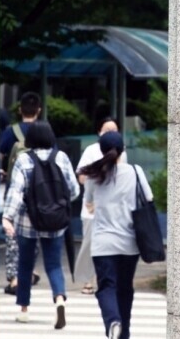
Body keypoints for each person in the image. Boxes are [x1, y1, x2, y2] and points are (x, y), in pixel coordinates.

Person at [2, 121, 80, 328]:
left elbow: (16, 192)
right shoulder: (61, 158)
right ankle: (59, 300)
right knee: (54, 264)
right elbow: (74, 190)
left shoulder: (23, 159)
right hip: (55, 221)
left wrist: (7, 217)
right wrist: (57, 204)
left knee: (25, 264)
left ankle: (24, 310)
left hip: (28, 222)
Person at [81, 131, 153, 339]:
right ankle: (124, 334)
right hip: (130, 243)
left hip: (103, 244)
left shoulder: (94, 175)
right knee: (125, 289)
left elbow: (88, 202)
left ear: (101, 150)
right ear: (123, 150)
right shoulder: (135, 171)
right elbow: (149, 198)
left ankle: (113, 321)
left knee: (106, 287)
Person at [74, 117, 127, 295]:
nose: (111, 133)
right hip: (92, 211)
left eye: (114, 130)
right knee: (89, 244)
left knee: (110, 247)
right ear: (99, 132)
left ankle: (103, 279)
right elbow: (82, 177)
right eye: (107, 130)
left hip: (113, 210)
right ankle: (87, 280)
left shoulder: (122, 152)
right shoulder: (91, 150)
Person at [0, 92, 42, 295]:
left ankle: (15, 278)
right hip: (38, 192)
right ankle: (30, 271)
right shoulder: (44, 131)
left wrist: (2, 170)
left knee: (12, 235)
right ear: (39, 110)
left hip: (14, 190)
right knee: (34, 234)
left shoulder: (10, 132)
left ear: (19, 110)